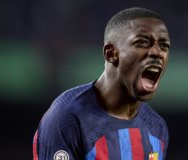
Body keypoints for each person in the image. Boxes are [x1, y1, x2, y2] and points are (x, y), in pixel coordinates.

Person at [33, 7, 171, 160]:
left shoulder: (157, 127)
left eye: (164, 46)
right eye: (142, 42)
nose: (157, 53)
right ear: (111, 53)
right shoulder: (68, 118)